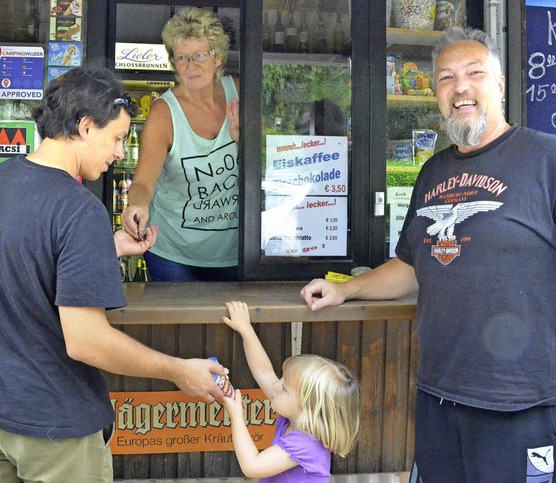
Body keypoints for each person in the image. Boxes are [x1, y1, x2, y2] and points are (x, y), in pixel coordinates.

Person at [300, 26, 556, 482]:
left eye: (474, 73)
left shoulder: (551, 160)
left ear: (499, 86)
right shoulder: (433, 171)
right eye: (445, 78)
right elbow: (412, 266)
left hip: (522, 406)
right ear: (437, 95)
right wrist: (346, 290)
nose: (460, 87)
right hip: (440, 399)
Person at [0, 66, 229, 483]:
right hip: (58, 428)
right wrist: (179, 370)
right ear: (86, 126)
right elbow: (87, 341)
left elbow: (24, 258)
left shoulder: (5, 181)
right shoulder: (79, 209)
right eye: (118, 137)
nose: (120, 152)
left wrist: (107, 248)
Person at [122, 7, 240, 282]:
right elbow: (142, 184)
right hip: (173, 254)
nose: (191, 65)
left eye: (200, 55)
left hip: (235, 250)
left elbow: (267, 162)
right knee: (180, 326)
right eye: (182, 58)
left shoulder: (238, 93)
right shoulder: (164, 112)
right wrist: (137, 207)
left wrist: (244, 139)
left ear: (218, 57)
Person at [220, 301, 361, 482]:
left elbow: (252, 466)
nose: (276, 385)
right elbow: (265, 372)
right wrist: (246, 330)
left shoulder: (305, 444)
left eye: (284, 387)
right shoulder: (293, 415)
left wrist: (236, 416)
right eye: (282, 379)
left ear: (306, 407)